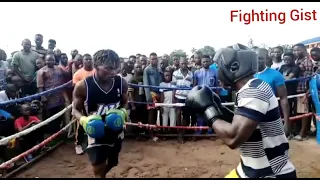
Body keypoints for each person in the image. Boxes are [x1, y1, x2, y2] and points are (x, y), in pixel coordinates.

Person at [185, 46, 296, 178]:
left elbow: (233, 138)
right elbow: (242, 123)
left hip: (268, 173)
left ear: (234, 67)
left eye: (219, 67)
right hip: (249, 169)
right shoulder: (251, 87)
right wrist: (218, 108)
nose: (217, 72)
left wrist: (208, 110)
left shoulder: (254, 91)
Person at [72, 49, 128, 178]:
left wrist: (123, 112)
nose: (113, 72)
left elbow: (125, 102)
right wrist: (84, 121)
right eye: (108, 68)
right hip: (94, 132)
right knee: (98, 169)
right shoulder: (83, 86)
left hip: (115, 129)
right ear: (96, 66)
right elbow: (75, 110)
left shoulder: (121, 82)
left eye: (115, 68)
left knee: (113, 162)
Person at [254, 48, 290, 138]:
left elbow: (283, 98)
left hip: (269, 115)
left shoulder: (276, 75)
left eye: (260, 58)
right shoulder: (247, 74)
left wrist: (286, 122)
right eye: (255, 58)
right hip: (251, 116)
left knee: (273, 144)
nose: (257, 61)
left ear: (266, 58)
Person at [72, 53, 95, 155]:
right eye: (86, 59)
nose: (89, 61)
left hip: (94, 101)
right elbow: (76, 90)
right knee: (81, 123)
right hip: (82, 101)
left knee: (95, 121)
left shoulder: (96, 72)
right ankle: (78, 144)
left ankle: (94, 144)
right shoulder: (78, 74)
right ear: (83, 61)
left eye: (90, 59)